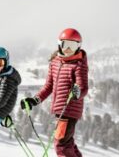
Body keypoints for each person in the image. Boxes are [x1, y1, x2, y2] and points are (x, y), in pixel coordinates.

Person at [20, 28, 88, 157]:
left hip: (69, 109)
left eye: (72, 45)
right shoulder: (55, 62)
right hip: (60, 110)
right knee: (67, 143)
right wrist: (35, 100)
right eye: (65, 44)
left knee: (61, 145)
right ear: (59, 44)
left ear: (78, 47)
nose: (68, 49)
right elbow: (49, 86)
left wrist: (77, 92)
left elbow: (83, 87)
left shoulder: (78, 65)